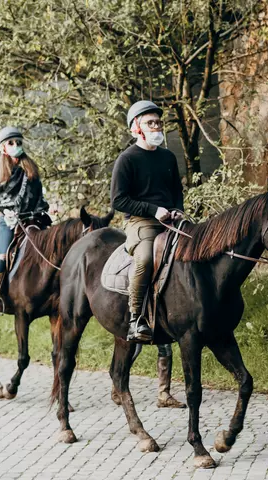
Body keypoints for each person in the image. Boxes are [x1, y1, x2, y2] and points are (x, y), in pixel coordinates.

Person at [110, 100, 184, 343]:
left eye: (159, 123)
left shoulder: (168, 157)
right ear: (136, 128)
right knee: (144, 258)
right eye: (150, 123)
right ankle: (136, 319)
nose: (157, 127)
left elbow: (176, 192)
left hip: (170, 220)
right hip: (140, 223)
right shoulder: (127, 159)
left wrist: (178, 210)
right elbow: (118, 200)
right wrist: (154, 210)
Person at [0, 126, 50, 315]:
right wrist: (7, 211)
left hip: (33, 218)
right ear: (3, 148)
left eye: (18, 142)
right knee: (2, 256)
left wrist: (45, 207)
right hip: (9, 220)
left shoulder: (31, 168)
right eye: (11, 143)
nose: (16, 145)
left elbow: (38, 195)